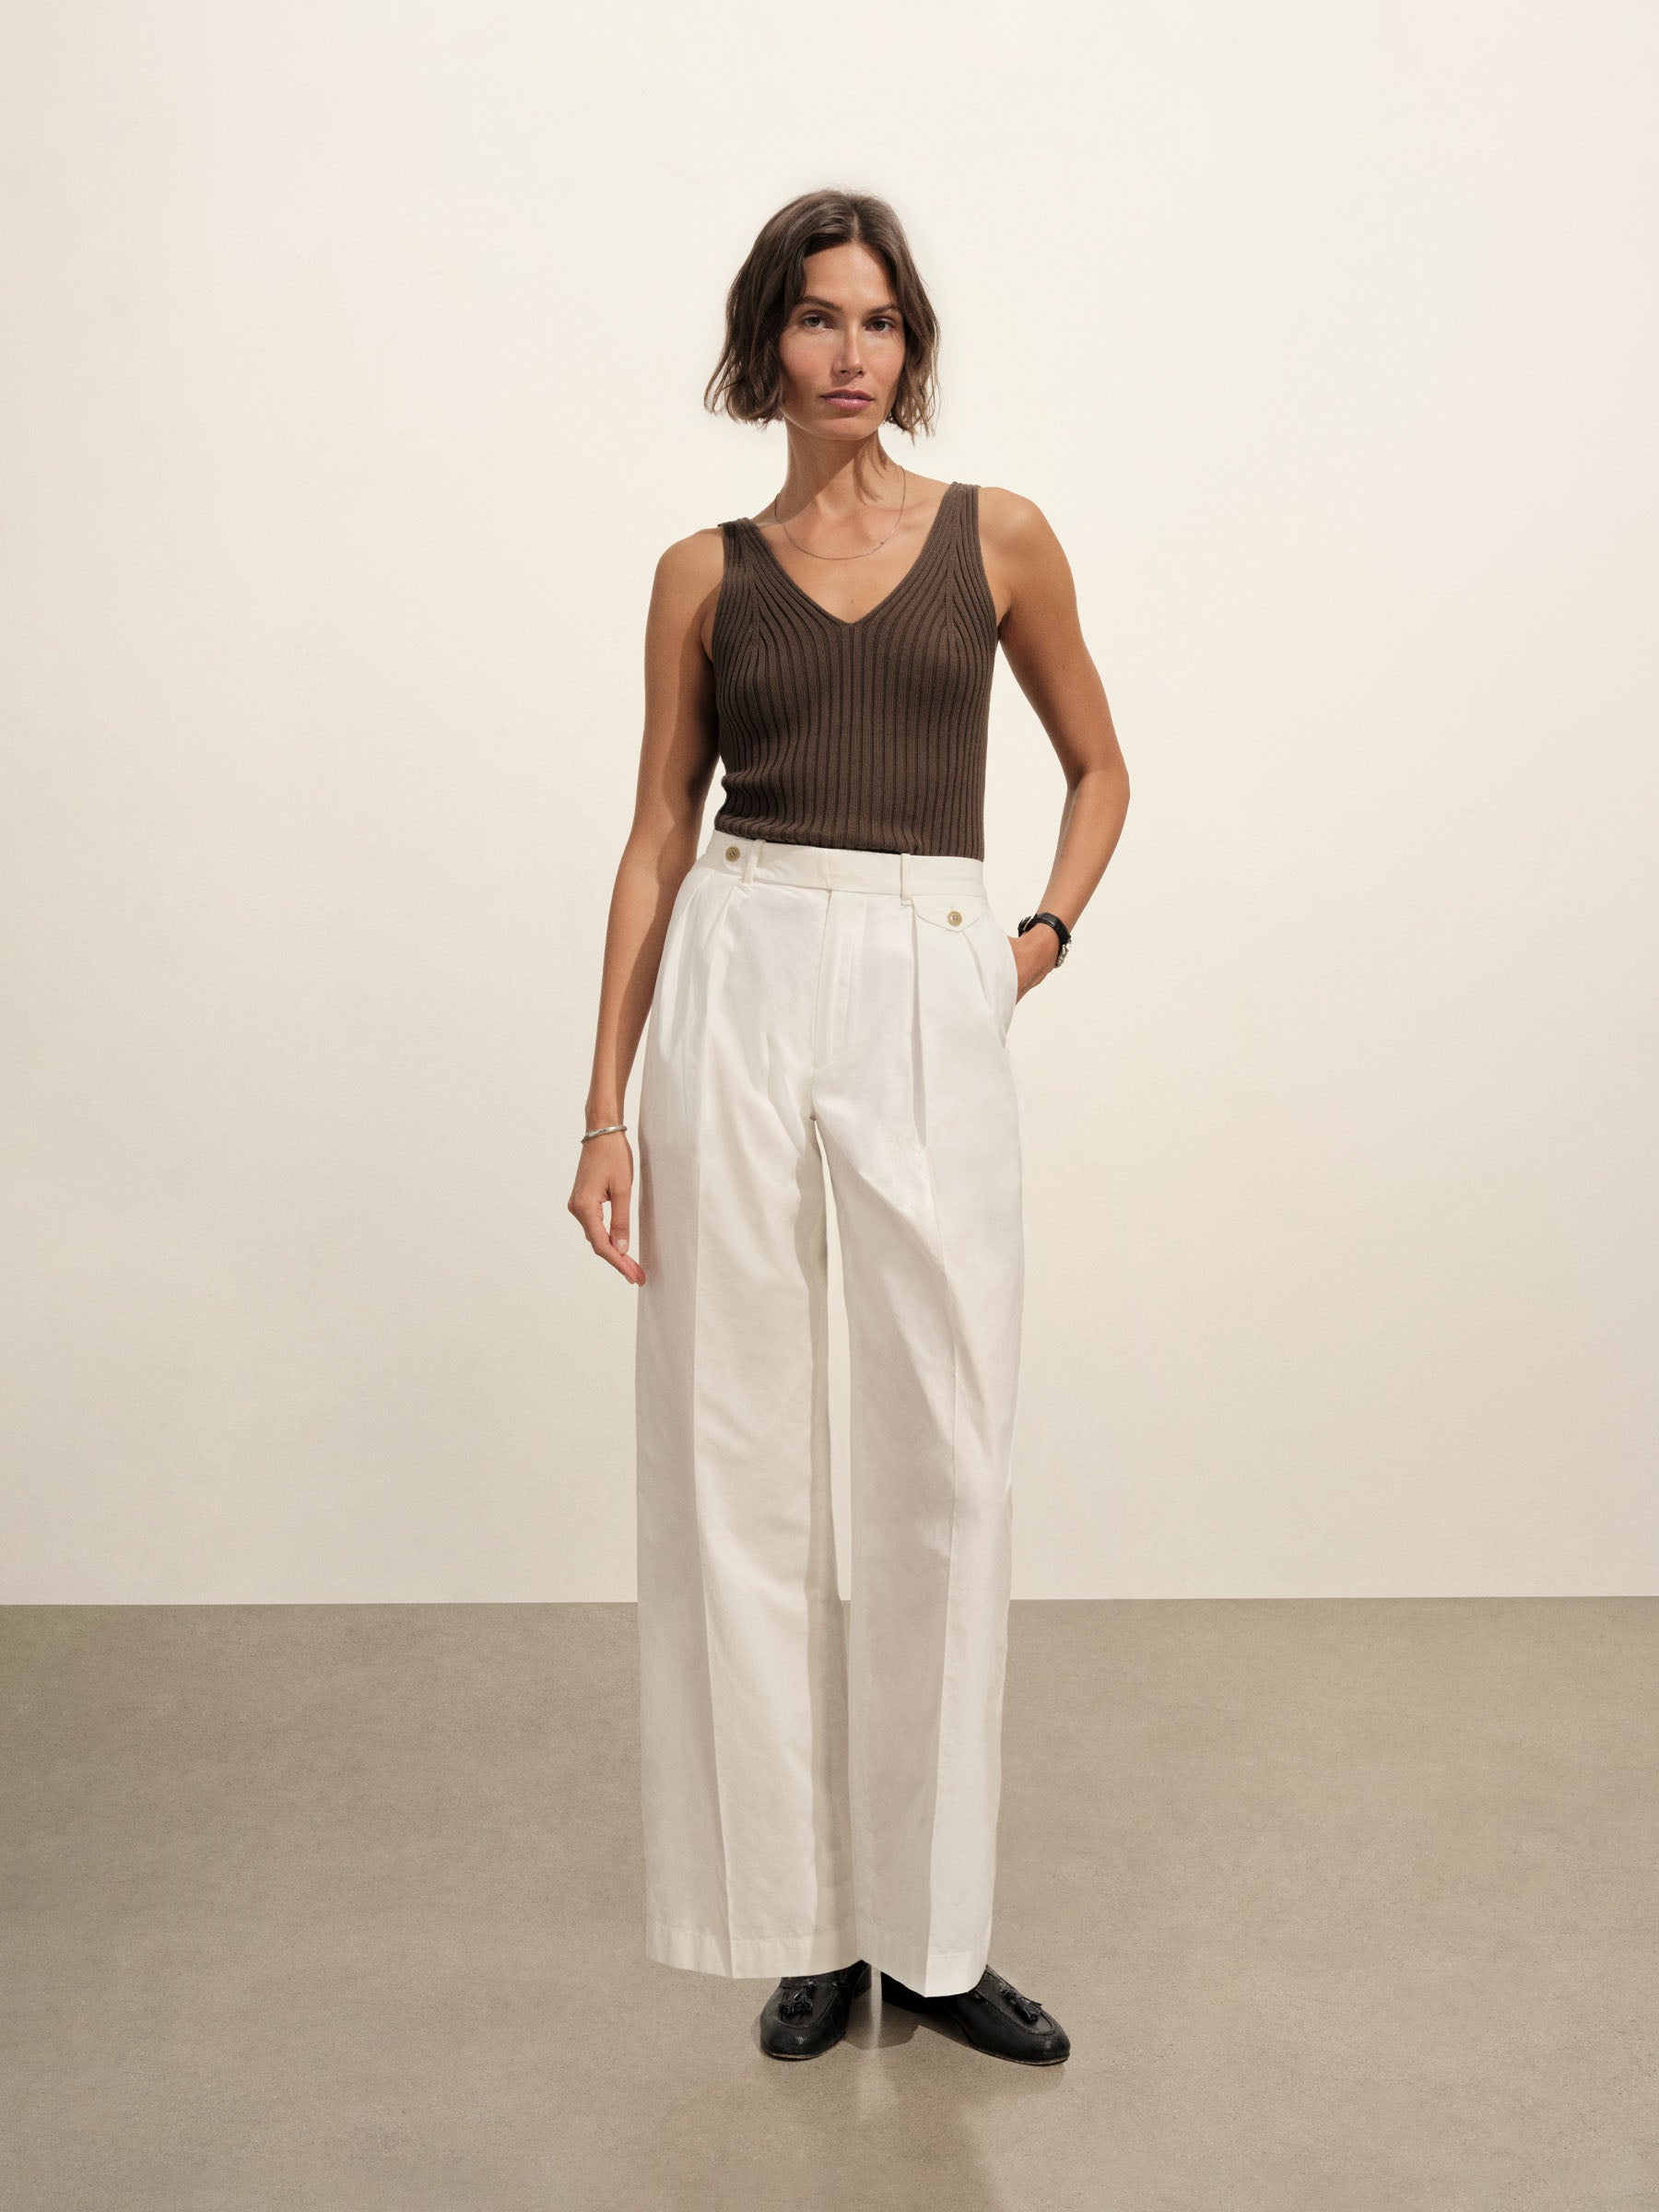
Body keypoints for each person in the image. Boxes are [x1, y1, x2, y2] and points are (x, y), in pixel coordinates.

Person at [570, 187, 1130, 2065]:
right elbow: (656, 832)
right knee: (738, 1445)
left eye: (879, 321)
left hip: (925, 975)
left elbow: (1101, 767)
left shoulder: (1000, 538)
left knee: (943, 1455)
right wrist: (601, 1108)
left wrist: (1027, 947)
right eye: (817, 318)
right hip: (738, 968)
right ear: (768, 343)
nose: (850, 352)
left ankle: (937, 1935)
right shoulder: (702, 573)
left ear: (911, 347)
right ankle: (807, 1923)